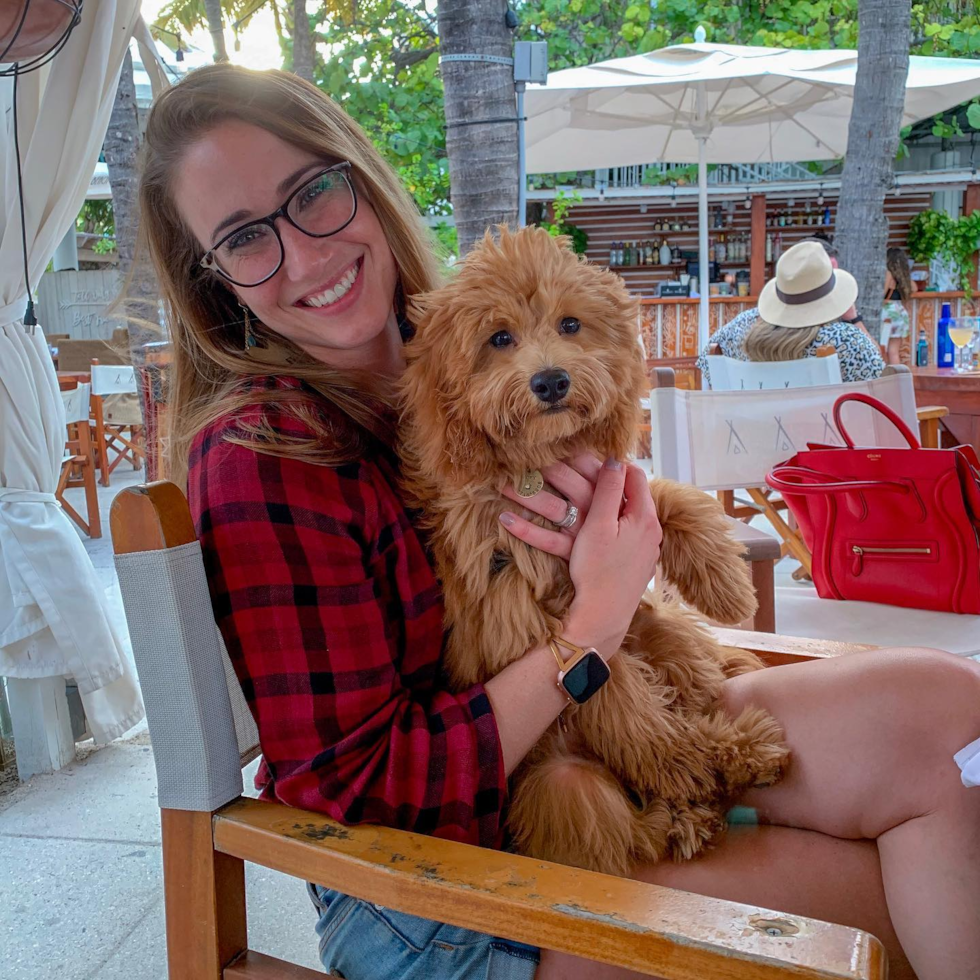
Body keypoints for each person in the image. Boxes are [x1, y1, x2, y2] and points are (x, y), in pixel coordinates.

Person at [138, 64, 980, 980]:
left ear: (361, 182)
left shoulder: (442, 352)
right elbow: (361, 790)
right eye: (246, 238)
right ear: (214, 278)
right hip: (444, 877)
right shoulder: (264, 455)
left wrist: (620, 549)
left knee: (949, 719)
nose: (303, 254)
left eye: (313, 193)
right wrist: (594, 626)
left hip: (595, 727)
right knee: (878, 899)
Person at [697, 240, 884, 388]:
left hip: (751, 434)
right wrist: (854, 318)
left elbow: (707, 361)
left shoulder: (742, 327)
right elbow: (880, 382)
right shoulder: (845, 340)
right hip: (822, 436)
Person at [880, 246, 917, 365]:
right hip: (900, 312)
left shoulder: (888, 274)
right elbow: (914, 288)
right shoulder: (904, 277)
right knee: (894, 351)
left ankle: (886, 378)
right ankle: (897, 379)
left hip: (888, 312)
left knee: (883, 350)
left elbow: (882, 294)